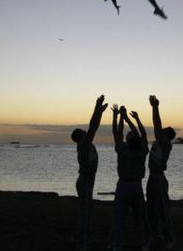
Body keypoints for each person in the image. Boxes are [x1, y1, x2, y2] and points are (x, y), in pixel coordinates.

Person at [71, 95, 108, 251]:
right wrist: (97, 108)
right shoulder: (84, 145)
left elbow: (93, 127)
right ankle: (81, 243)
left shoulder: (85, 144)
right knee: (85, 214)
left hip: (86, 181)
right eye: (82, 131)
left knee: (86, 212)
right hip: (85, 181)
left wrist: (99, 112)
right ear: (80, 137)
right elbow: (93, 127)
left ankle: (80, 239)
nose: (86, 131)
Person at [111, 105, 150, 251]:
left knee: (119, 217)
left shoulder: (122, 150)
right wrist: (132, 119)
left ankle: (117, 245)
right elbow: (142, 135)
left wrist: (118, 116)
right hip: (136, 186)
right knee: (139, 217)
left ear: (127, 140)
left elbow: (117, 132)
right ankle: (142, 244)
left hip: (123, 185)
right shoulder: (142, 150)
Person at [146, 95, 176, 250]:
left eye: (162, 132)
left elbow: (157, 125)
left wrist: (155, 107)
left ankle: (169, 239)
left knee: (163, 210)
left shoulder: (165, 144)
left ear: (167, 136)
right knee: (151, 210)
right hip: (152, 179)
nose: (159, 133)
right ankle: (155, 237)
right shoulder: (159, 142)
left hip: (158, 179)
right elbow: (157, 128)